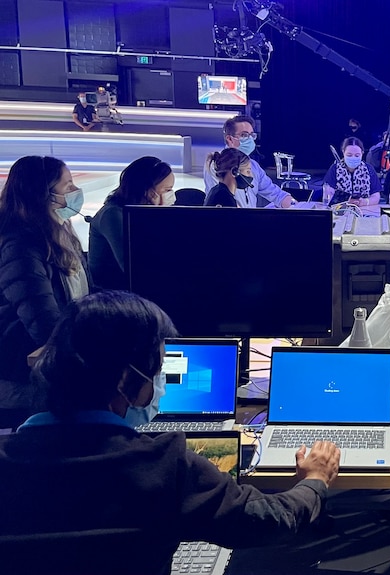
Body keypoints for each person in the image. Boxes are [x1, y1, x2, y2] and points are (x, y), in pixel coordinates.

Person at [0, 291, 341, 573]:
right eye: (158, 370)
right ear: (125, 380)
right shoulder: (164, 465)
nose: (160, 385)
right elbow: (271, 521)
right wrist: (314, 480)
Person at [0, 156, 89, 429]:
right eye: (68, 184)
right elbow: (42, 320)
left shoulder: (61, 232)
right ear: (44, 195)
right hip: (25, 380)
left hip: (53, 367)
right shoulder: (20, 245)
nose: (75, 191)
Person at [89, 157, 175, 292]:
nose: (171, 195)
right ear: (147, 190)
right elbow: (133, 267)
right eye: (167, 190)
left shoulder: (141, 210)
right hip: (111, 295)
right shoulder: (112, 215)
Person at [203, 115, 294, 209]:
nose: (250, 139)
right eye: (244, 135)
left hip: (248, 219)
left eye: (251, 135)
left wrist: (297, 206)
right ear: (230, 139)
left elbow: (275, 193)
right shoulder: (218, 165)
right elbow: (224, 203)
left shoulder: (254, 166)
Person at [323, 137, 383, 207]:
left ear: (362, 153)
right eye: (349, 155)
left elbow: (376, 196)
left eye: (357, 155)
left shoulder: (368, 169)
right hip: (339, 210)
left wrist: (365, 202)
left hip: (363, 210)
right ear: (343, 152)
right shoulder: (335, 169)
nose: (353, 158)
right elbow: (328, 194)